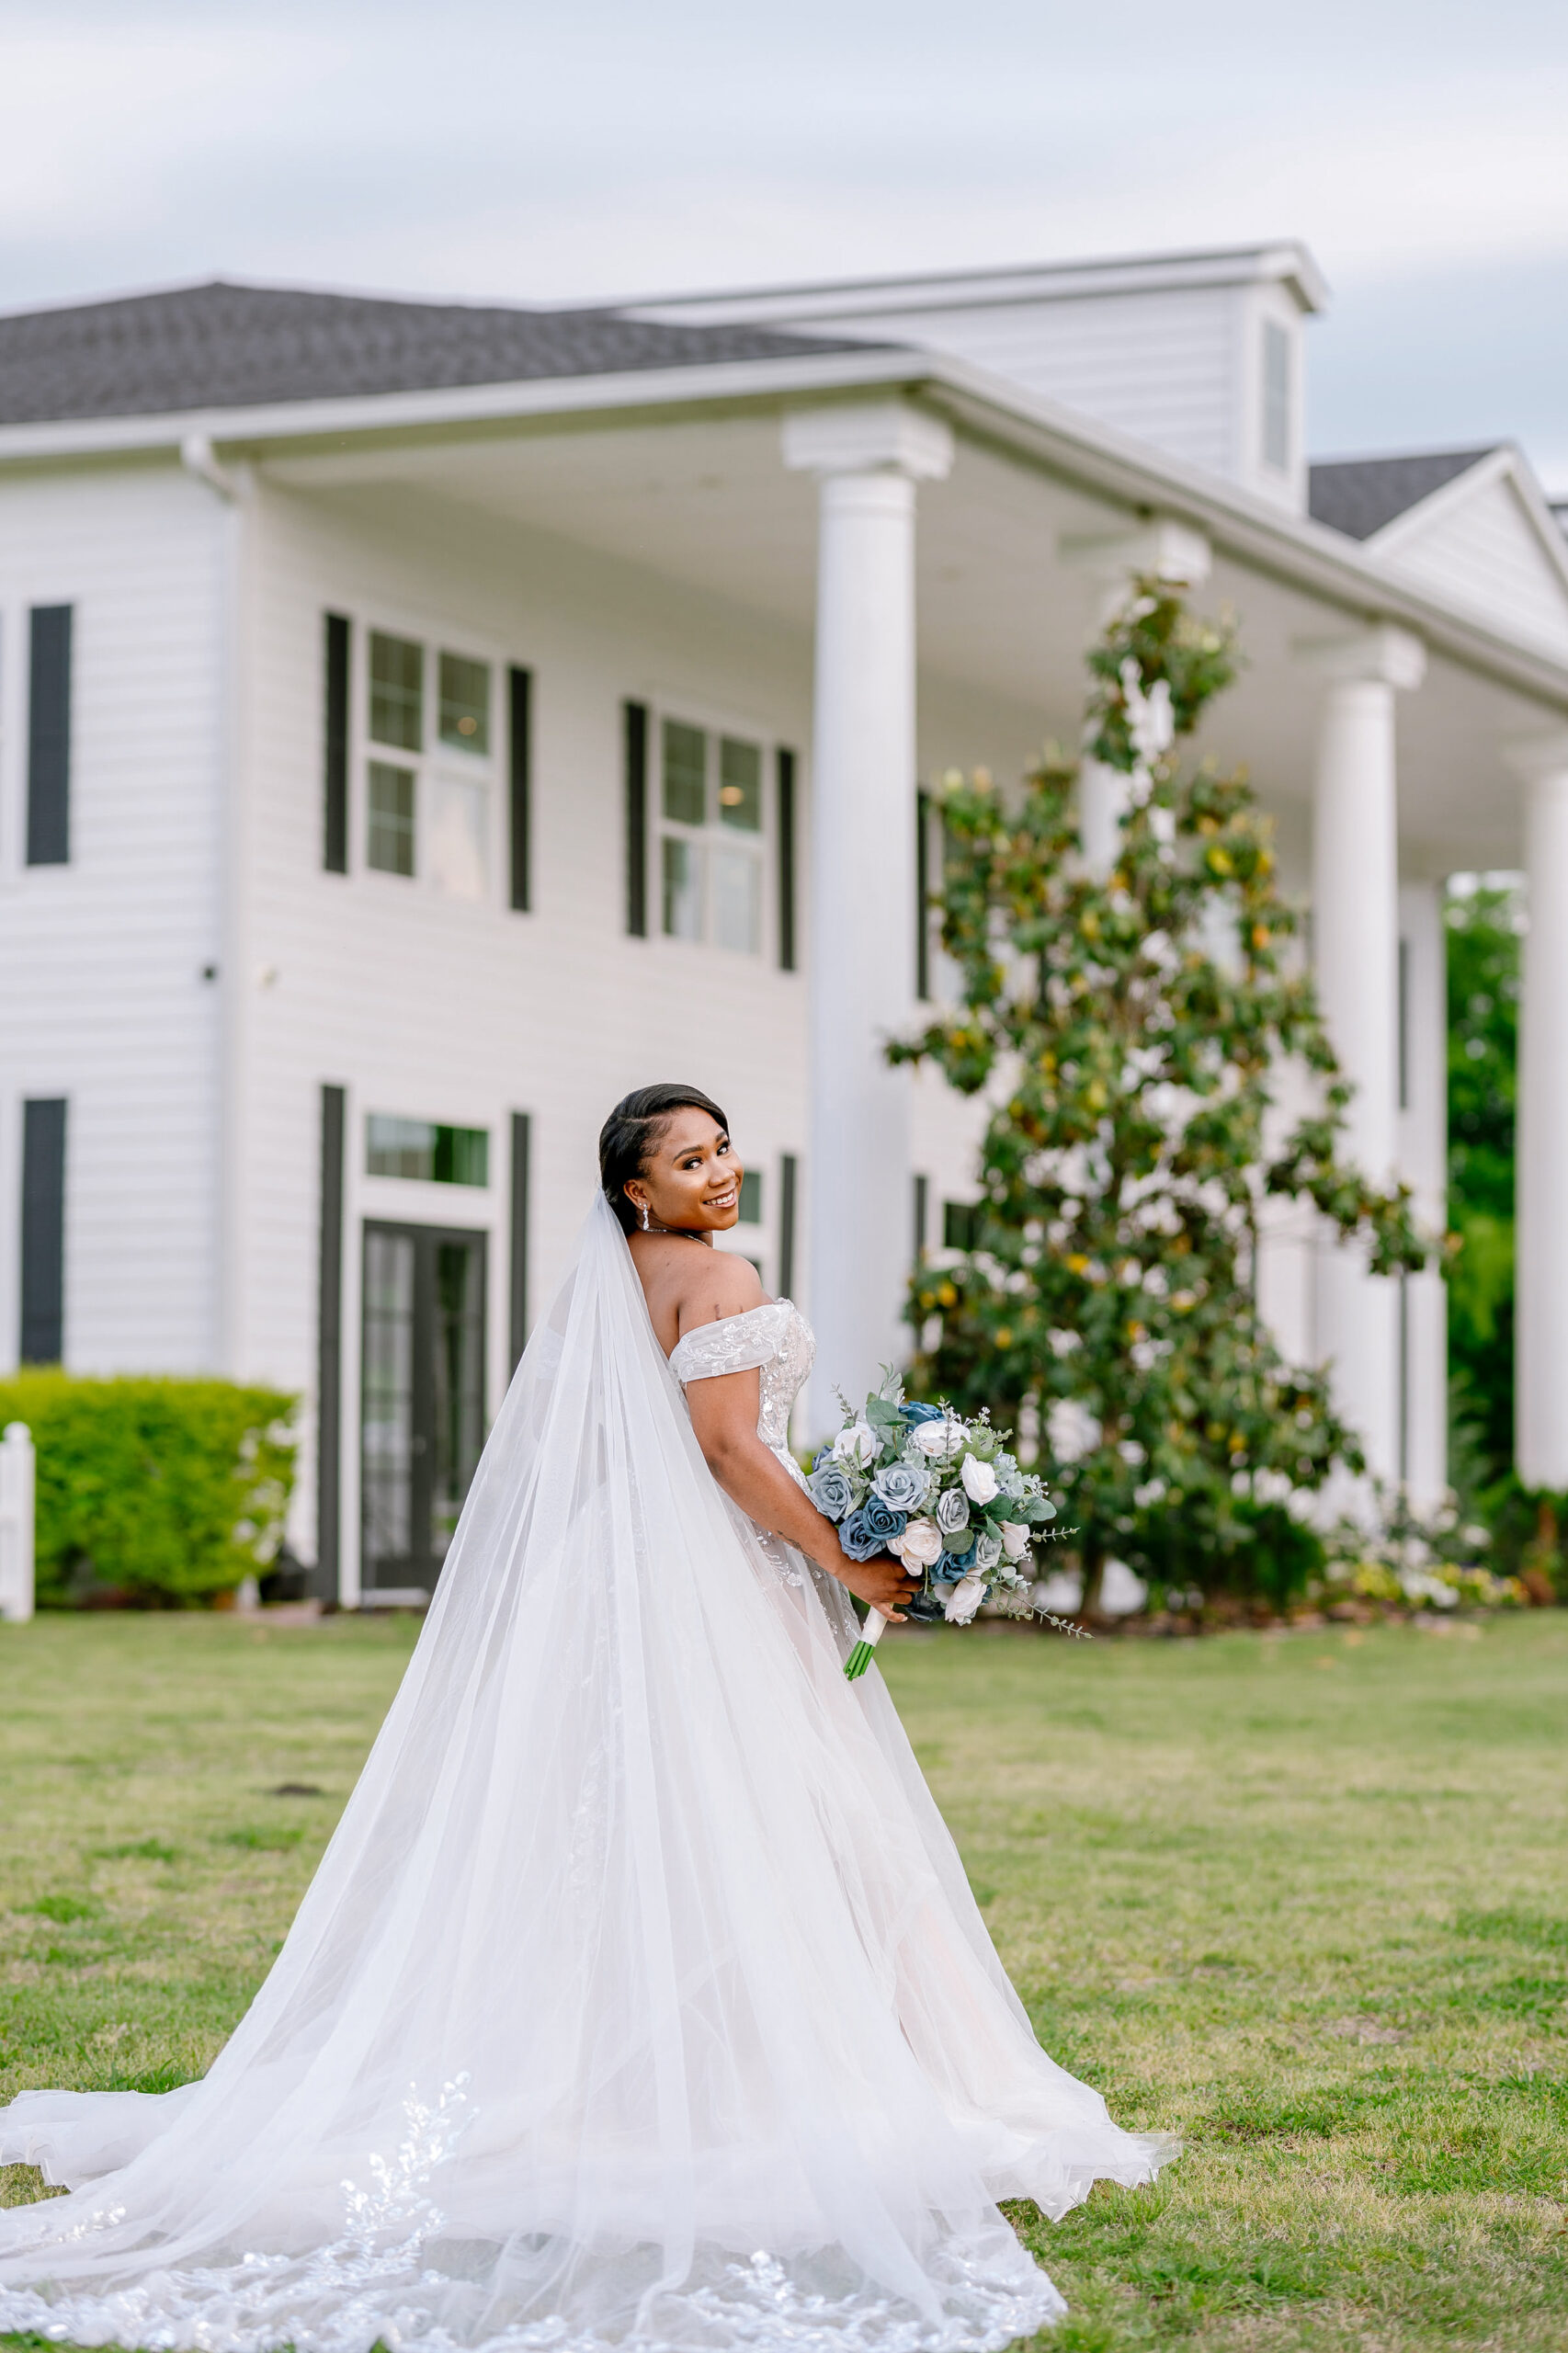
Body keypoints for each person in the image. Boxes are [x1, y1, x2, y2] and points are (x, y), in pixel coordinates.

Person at [0, 1083, 1176, 2353]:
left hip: (621, 1579)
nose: (717, 1172)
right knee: (803, 1827)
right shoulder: (715, 1277)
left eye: (722, 1148)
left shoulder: (617, 1280)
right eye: (687, 1158)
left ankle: (652, 2071)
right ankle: (783, 2088)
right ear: (635, 1187)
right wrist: (845, 1556)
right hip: (712, 1588)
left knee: (640, 1833)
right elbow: (730, 1452)